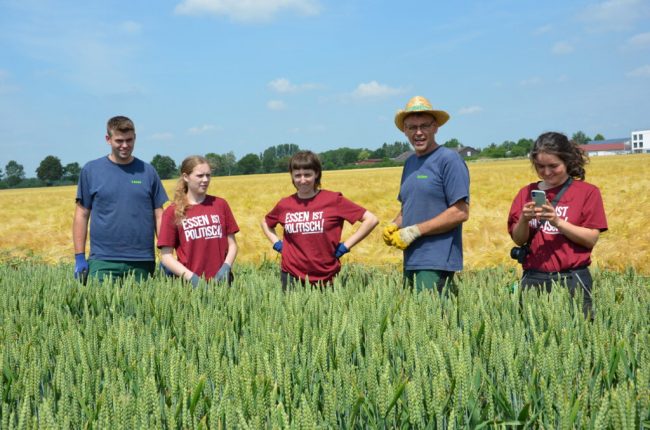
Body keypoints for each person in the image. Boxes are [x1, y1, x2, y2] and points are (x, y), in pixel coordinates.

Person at [507, 132, 608, 317]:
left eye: (553, 166)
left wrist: (557, 222)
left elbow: (591, 239)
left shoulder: (587, 193)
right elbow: (519, 240)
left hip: (573, 279)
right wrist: (524, 219)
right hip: (534, 279)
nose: (546, 172)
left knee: (579, 332)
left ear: (567, 161)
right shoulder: (525, 193)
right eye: (540, 166)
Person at [383, 96, 470, 293]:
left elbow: (460, 212)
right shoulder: (410, 163)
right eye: (412, 127)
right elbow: (409, 207)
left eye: (424, 126)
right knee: (414, 312)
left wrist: (414, 231)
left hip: (436, 260)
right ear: (404, 130)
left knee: (431, 312)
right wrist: (394, 225)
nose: (419, 132)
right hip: (412, 258)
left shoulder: (449, 160)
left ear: (435, 127)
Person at [261, 150, 378, 288]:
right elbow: (266, 222)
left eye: (307, 175)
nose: (302, 180)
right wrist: (278, 245)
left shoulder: (333, 200)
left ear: (316, 173)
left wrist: (345, 247)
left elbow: (371, 220)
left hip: (326, 275)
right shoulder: (285, 204)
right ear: (291, 176)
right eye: (297, 175)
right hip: (291, 275)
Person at [73, 116, 169, 282]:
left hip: (142, 261)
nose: (125, 145)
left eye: (129, 140)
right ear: (108, 139)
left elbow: (159, 216)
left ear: (135, 138)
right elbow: (81, 214)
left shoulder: (148, 172)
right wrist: (79, 256)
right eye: (119, 141)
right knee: (99, 300)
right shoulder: (91, 170)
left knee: (143, 300)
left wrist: (166, 254)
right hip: (103, 260)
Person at [157, 155, 239, 286]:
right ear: (186, 177)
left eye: (208, 175)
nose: (205, 180)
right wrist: (192, 278)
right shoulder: (172, 212)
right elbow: (166, 256)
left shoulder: (220, 205)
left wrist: (226, 266)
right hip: (190, 287)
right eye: (200, 176)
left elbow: (233, 245)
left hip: (222, 284)